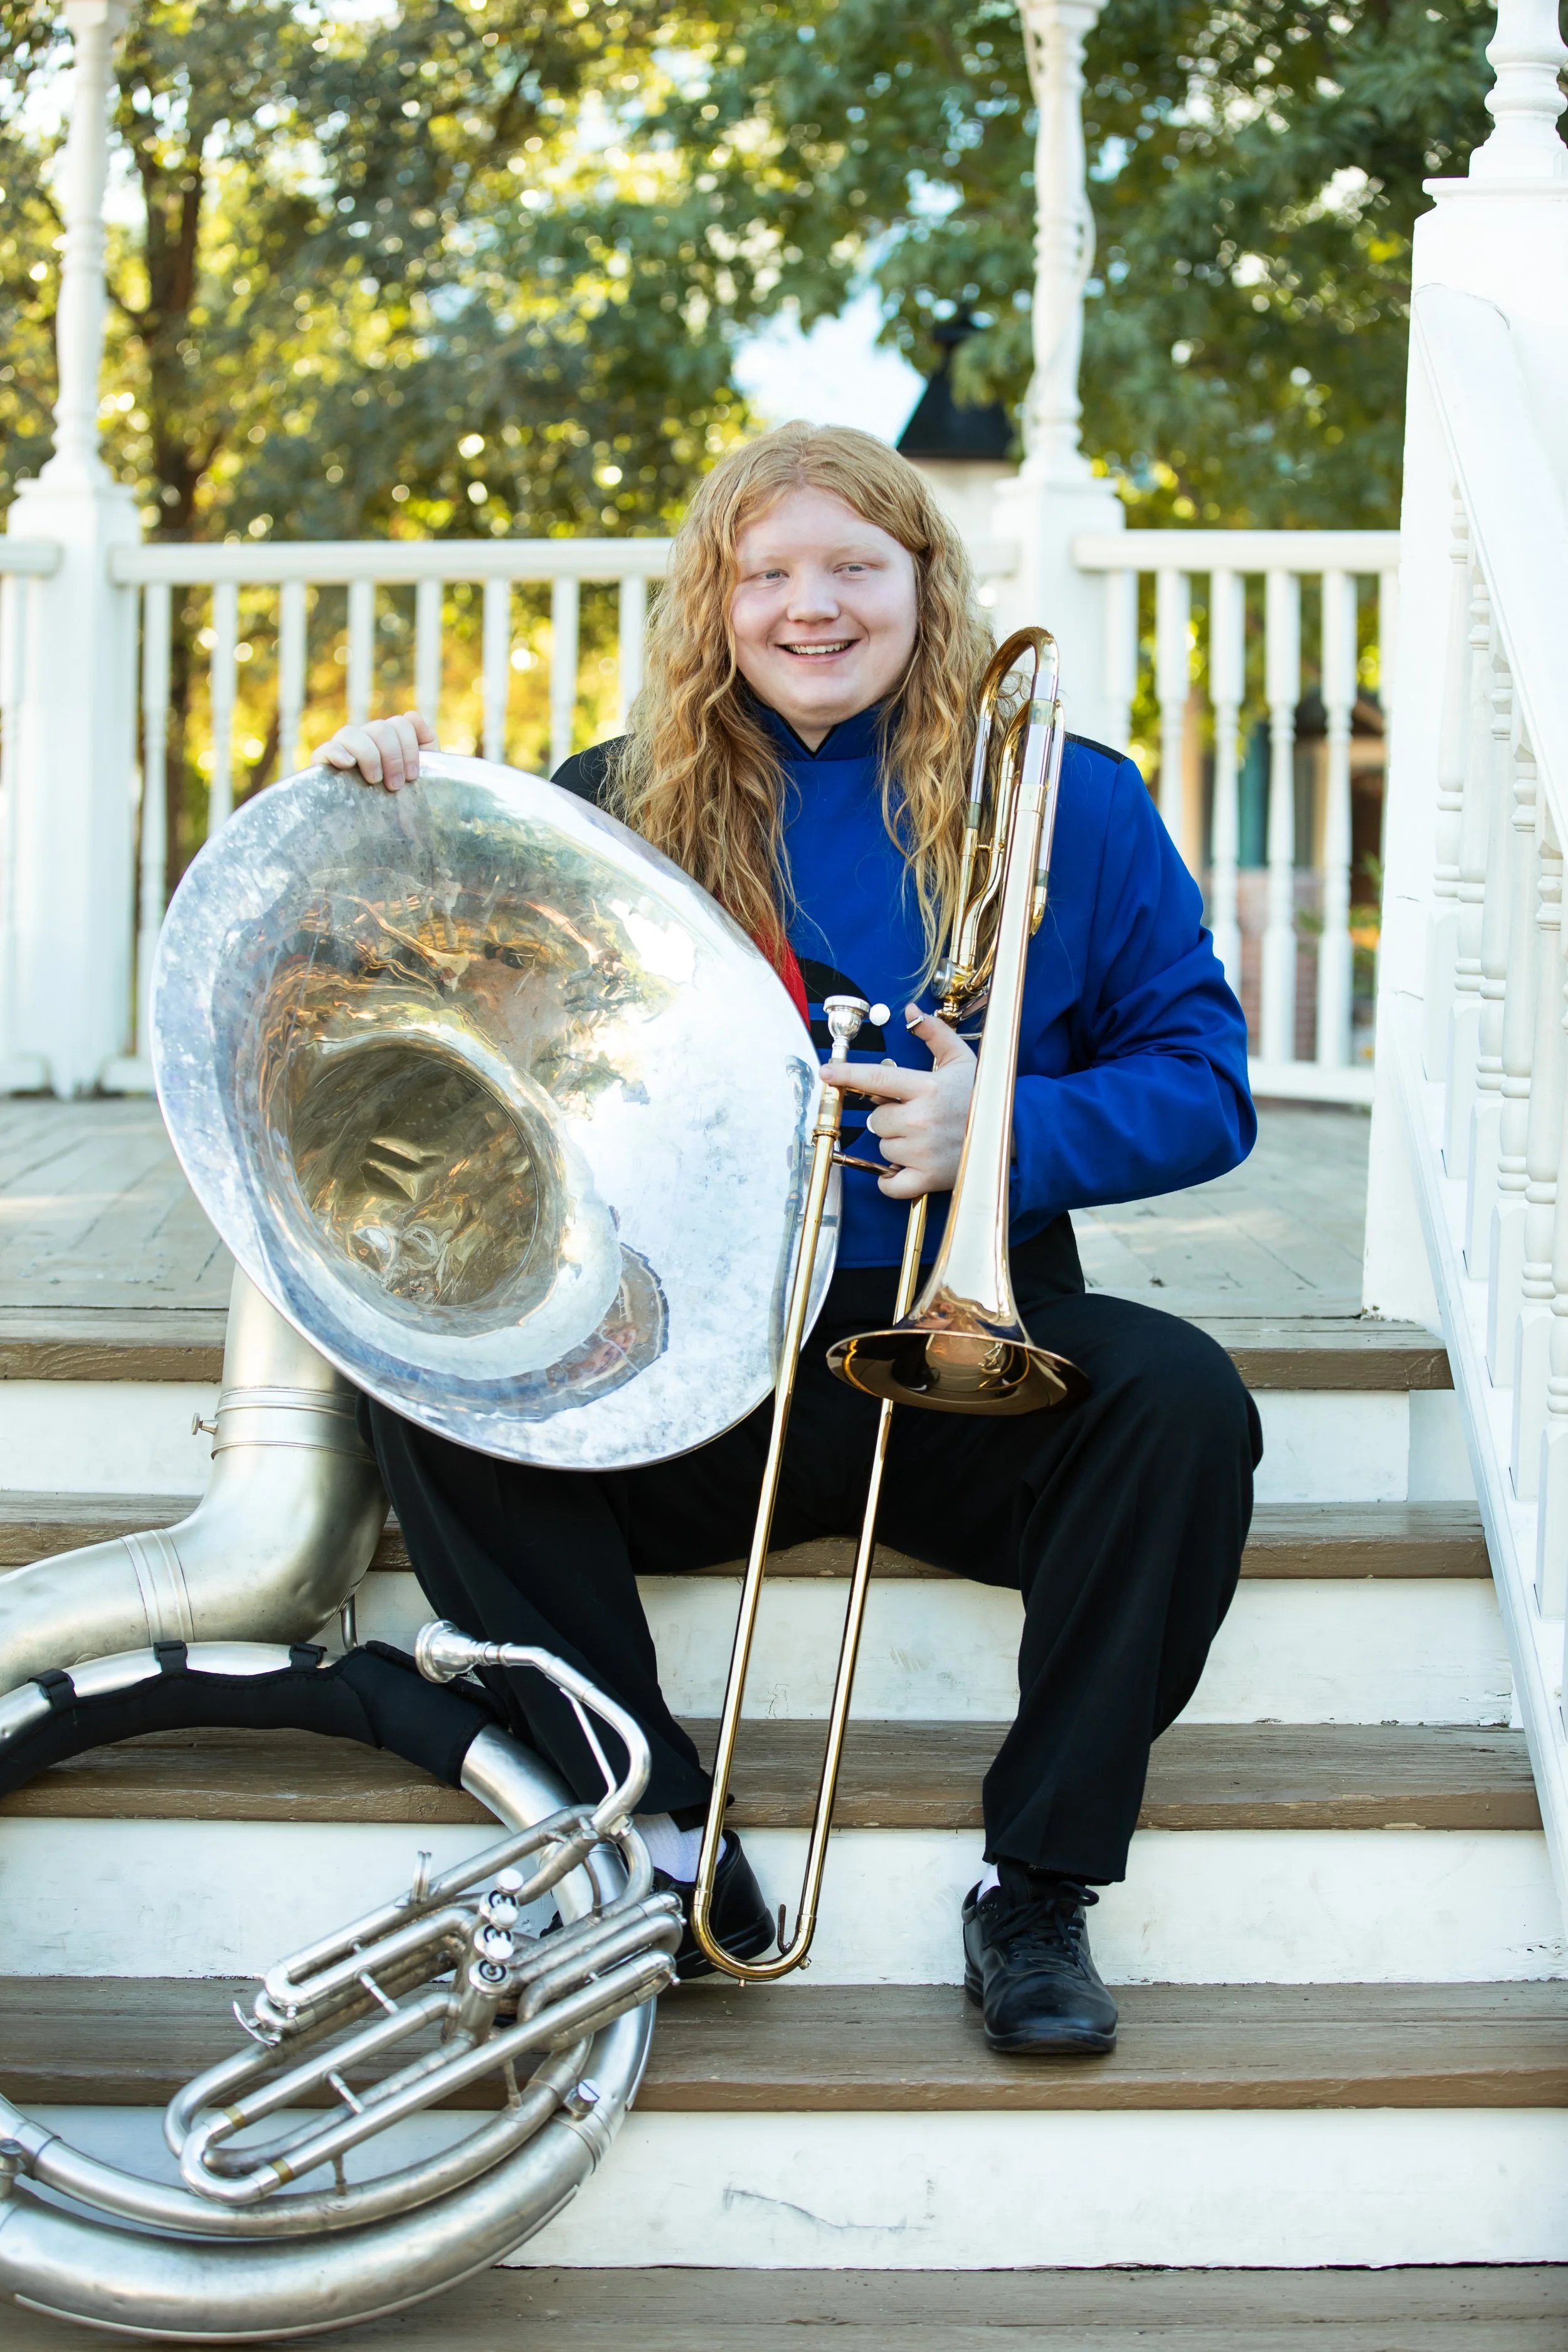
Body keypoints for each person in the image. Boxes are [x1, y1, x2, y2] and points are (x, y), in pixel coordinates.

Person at [314, 422, 1261, 2058]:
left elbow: (1205, 1083)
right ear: (717, 600)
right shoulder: (610, 803)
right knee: (427, 1378)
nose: (809, 606)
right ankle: (660, 1835)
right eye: (765, 573)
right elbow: (442, 1012)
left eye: (851, 567)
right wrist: (387, 812)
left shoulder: (1071, 800)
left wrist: (1000, 1130)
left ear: (923, 584)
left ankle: (1036, 1886)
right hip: (689, 1370)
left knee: (1180, 1402)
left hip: (959, 1364)